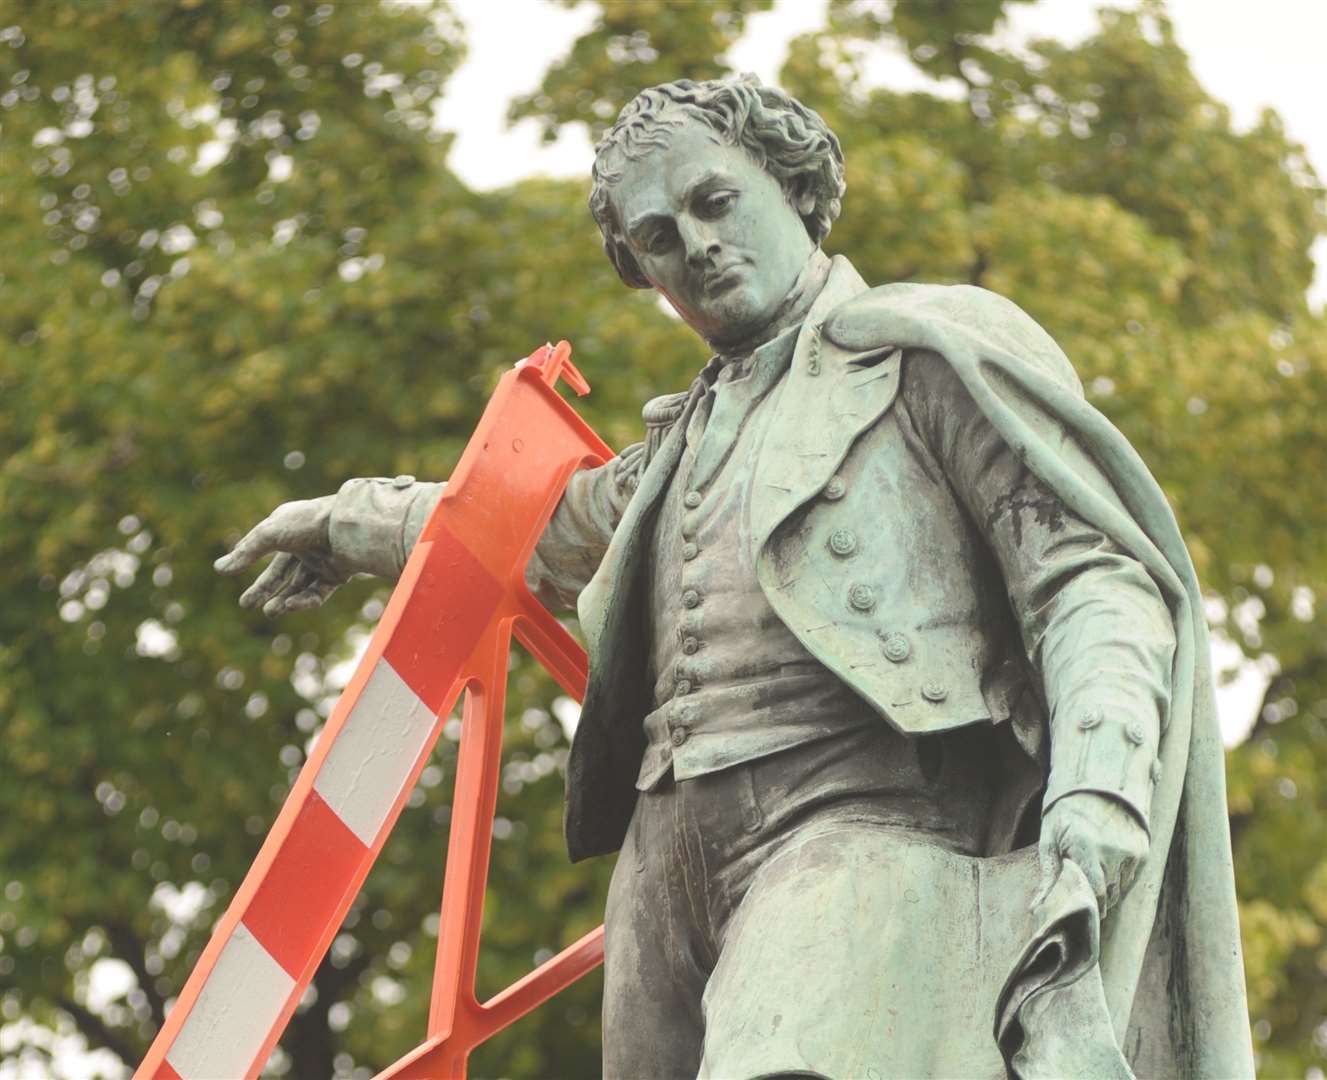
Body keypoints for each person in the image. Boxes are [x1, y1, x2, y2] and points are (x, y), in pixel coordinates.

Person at [216, 76, 1252, 1079]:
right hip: (662, 861)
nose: (696, 246)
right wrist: (347, 519)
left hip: (859, 827)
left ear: (793, 186)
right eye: (658, 237)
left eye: (715, 201)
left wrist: (1099, 781)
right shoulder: (675, 451)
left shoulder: (925, 352)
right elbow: (530, 529)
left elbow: (1087, 573)